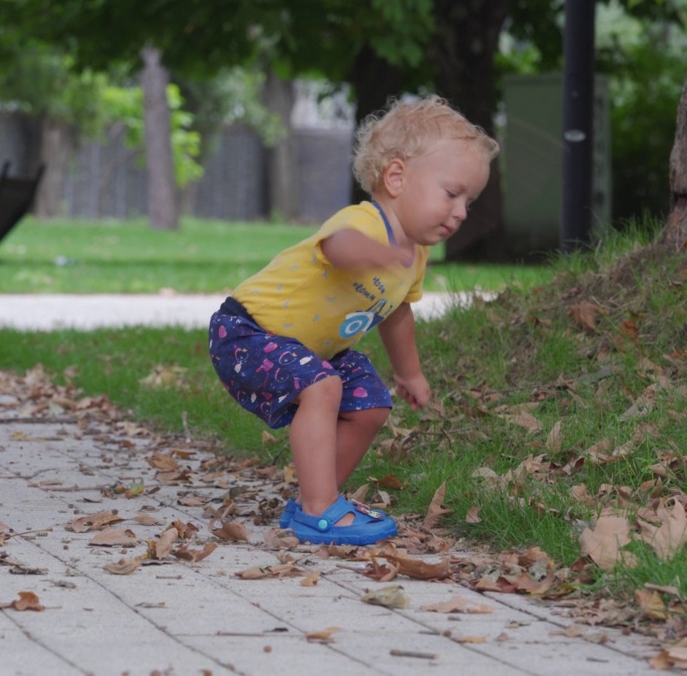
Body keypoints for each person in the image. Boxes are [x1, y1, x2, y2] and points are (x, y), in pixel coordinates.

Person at [208, 96, 499, 545]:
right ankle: (319, 510)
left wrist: (410, 372)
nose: (460, 211)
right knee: (323, 387)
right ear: (397, 177)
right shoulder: (365, 223)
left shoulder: (414, 256)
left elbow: (397, 313)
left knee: (370, 404)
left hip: (311, 350)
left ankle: (315, 501)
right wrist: (381, 254)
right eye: (451, 193)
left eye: (469, 201)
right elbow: (337, 249)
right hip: (247, 332)